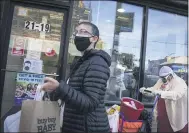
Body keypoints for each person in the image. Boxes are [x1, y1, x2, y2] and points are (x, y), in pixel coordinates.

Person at [41, 22, 111, 133]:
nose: (78, 35)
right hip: (76, 125)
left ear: (94, 39)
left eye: (83, 32)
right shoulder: (82, 62)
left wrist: (60, 87)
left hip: (88, 127)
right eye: (76, 32)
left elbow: (90, 103)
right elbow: (74, 93)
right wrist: (55, 90)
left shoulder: (97, 63)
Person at [140, 66, 188, 133]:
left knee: (176, 128)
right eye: (161, 78)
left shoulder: (179, 82)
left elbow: (176, 94)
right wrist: (145, 90)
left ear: (171, 75)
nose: (163, 80)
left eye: (164, 79)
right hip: (163, 114)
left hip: (175, 114)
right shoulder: (161, 80)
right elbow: (154, 90)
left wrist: (160, 93)